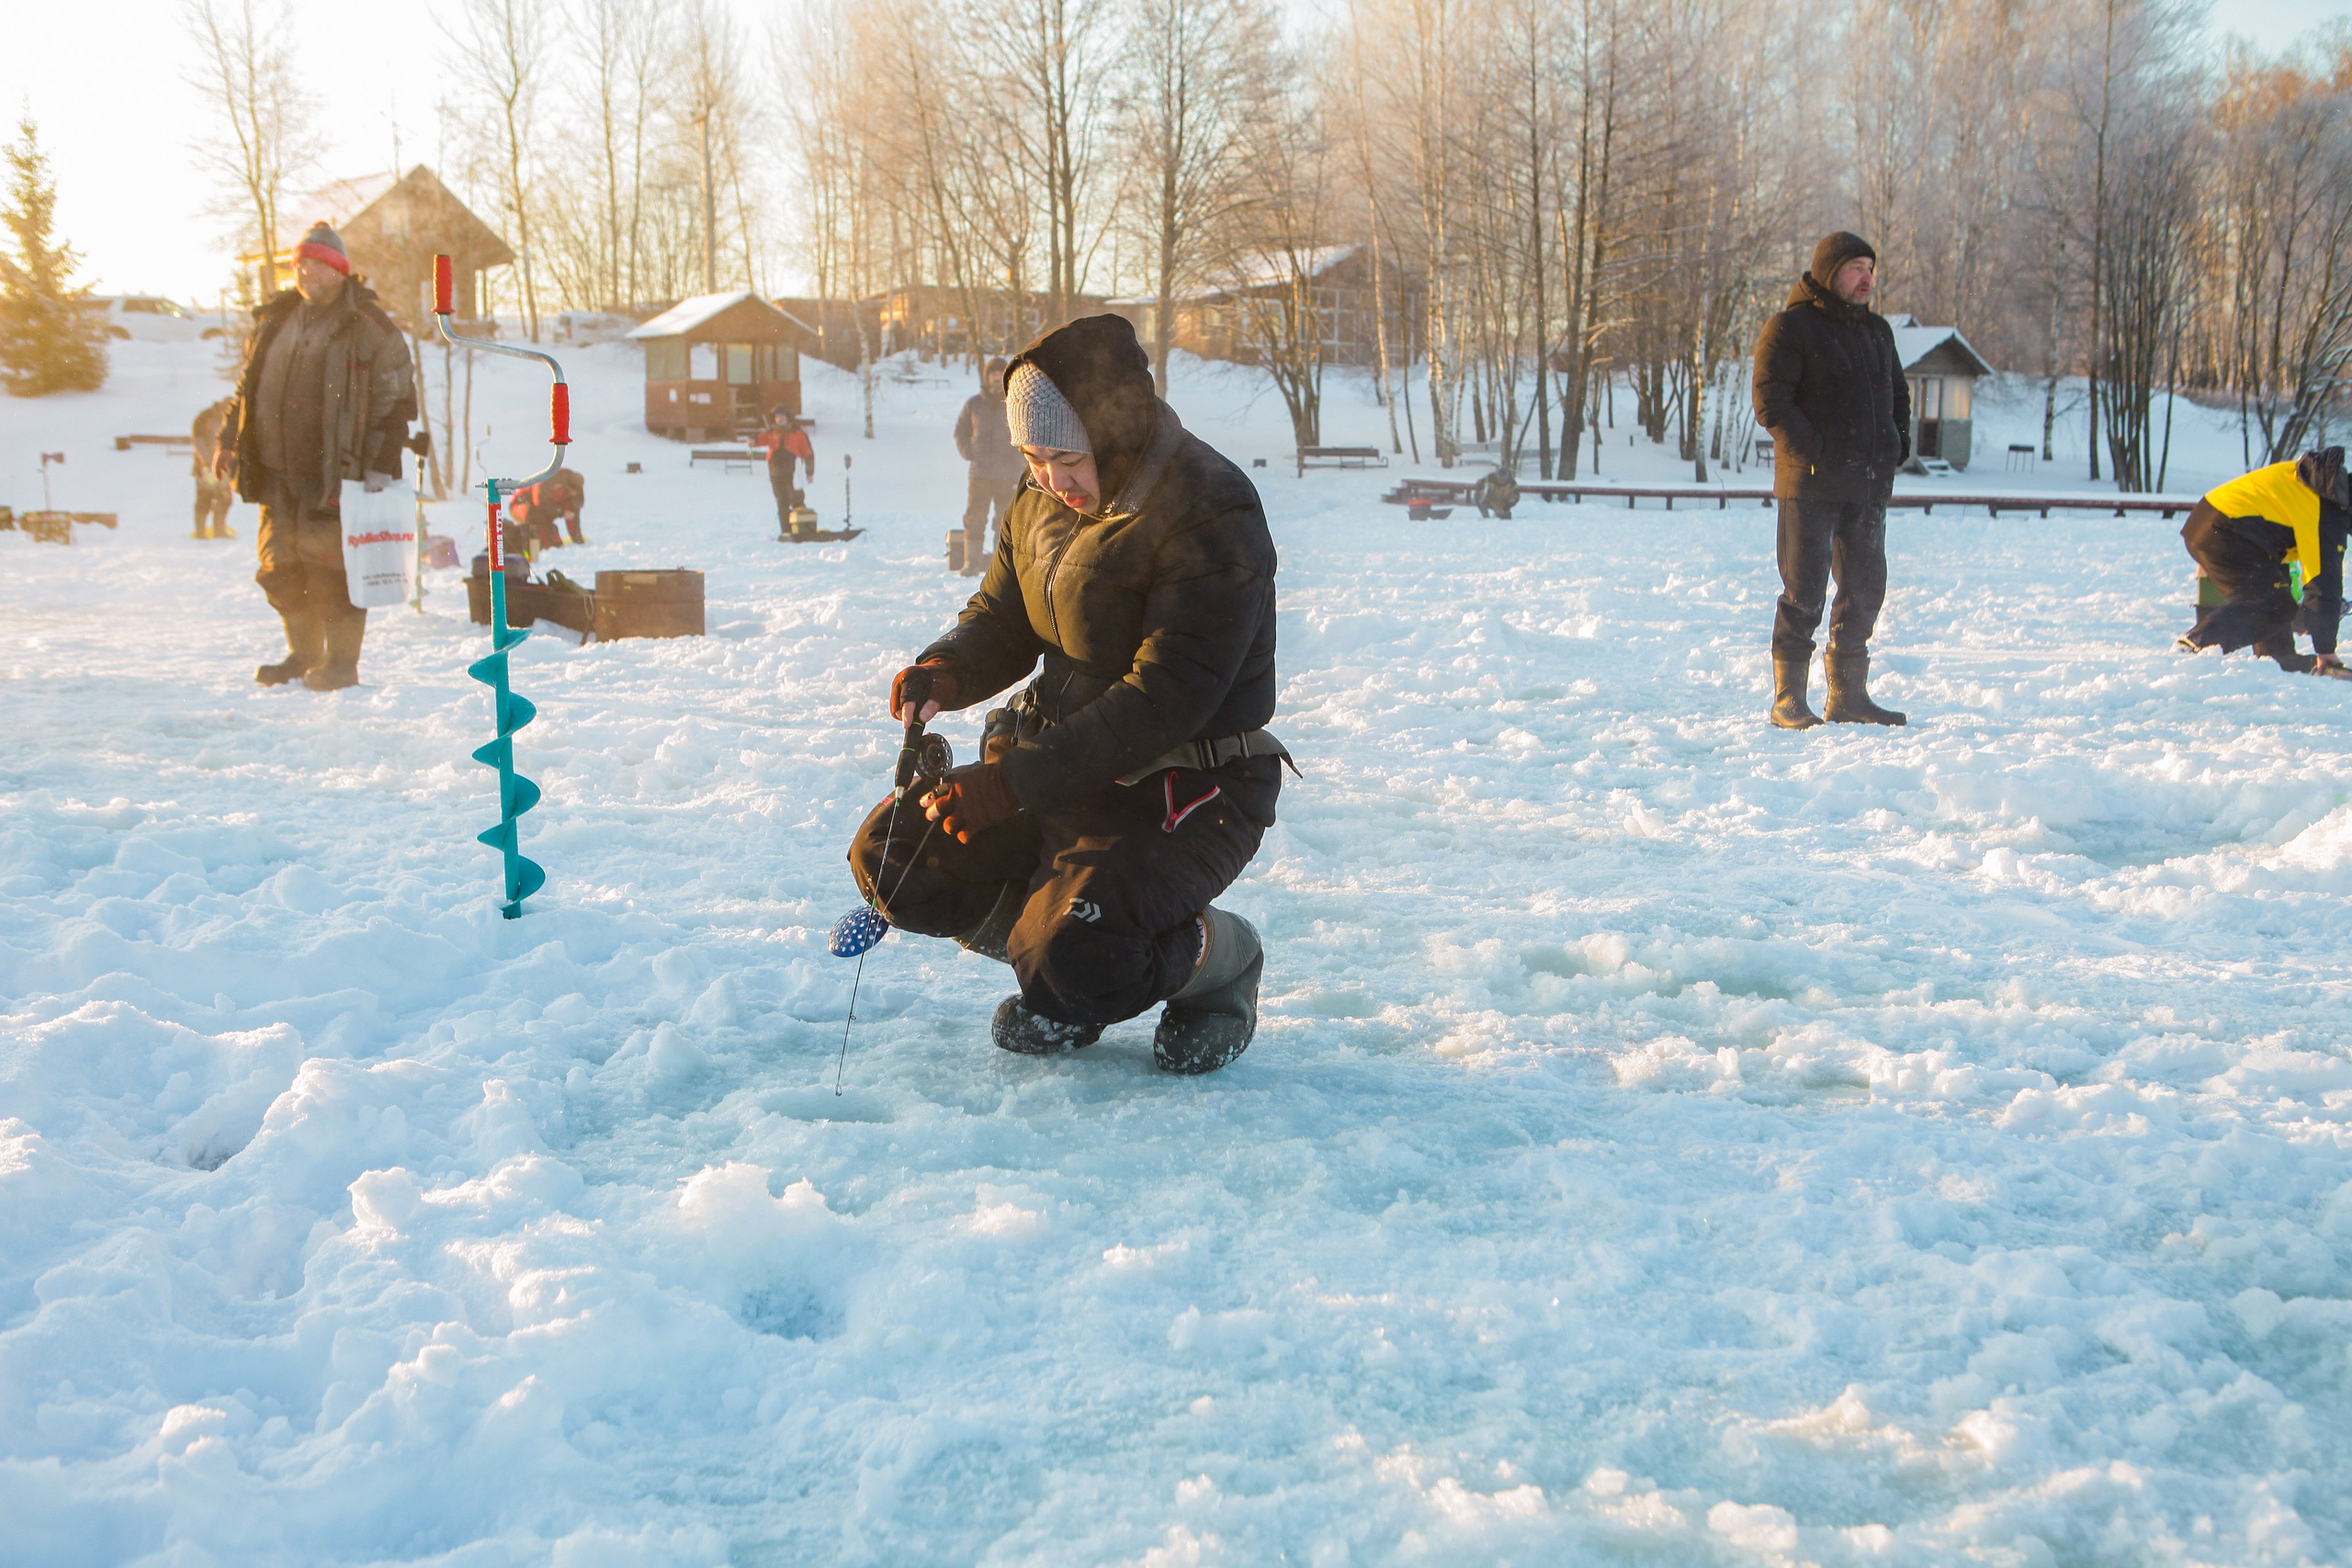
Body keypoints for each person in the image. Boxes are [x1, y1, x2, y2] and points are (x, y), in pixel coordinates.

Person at [847, 314, 1288, 1074]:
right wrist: (946, 669)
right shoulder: (1039, 501)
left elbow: (1165, 696)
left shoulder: (1212, 508)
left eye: (1065, 457)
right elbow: (1002, 615)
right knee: (895, 856)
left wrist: (1011, 785)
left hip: (1185, 789)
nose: (1050, 479)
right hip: (1066, 774)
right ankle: (1062, 961)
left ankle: (1218, 962)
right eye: (1032, 457)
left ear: (1115, 431)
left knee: (1073, 952)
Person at [214, 222, 414, 691]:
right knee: (279, 569)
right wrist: (227, 440)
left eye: (319, 265)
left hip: (336, 476)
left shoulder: (369, 327)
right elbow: (245, 389)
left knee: (332, 573)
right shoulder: (274, 320)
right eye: (301, 264)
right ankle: (304, 655)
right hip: (274, 474)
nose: (308, 272)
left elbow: (398, 402)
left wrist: (379, 468)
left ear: (341, 272)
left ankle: (342, 665)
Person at [1753, 230, 1911, 728]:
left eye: (1870, 268)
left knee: (1865, 589)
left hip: (1866, 486)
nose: (1866, 278)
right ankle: (1788, 701)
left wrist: (1895, 445)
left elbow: (1900, 399)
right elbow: (1771, 402)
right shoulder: (1790, 328)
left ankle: (1848, 697)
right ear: (1828, 274)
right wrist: (1814, 452)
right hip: (1812, 484)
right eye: (1854, 268)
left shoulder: (1877, 332)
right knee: (1804, 592)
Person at [2177, 446, 2352, 677]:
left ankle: (2277, 657)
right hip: (2225, 530)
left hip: (2218, 521)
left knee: (2276, 597)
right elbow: (2322, 583)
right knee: (2273, 604)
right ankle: (2193, 647)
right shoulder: (2327, 513)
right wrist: (2326, 649)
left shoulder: (2324, 485)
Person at [952, 355, 1022, 575]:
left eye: (999, 374)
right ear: (985, 376)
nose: (995, 378)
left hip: (1007, 475)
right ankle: (971, 563)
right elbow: (960, 432)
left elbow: (1025, 435)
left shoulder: (1014, 403)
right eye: (991, 373)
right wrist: (969, 452)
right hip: (980, 475)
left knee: (1004, 522)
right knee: (975, 519)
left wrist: (1019, 461)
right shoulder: (974, 404)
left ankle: (998, 568)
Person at [758, 407, 815, 532]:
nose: (780, 420)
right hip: (776, 475)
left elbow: (808, 454)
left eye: (783, 417)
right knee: (782, 504)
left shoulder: (798, 433)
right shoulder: (770, 433)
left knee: (797, 502)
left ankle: (802, 530)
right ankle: (786, 532)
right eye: (778, 417)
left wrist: (810, 472)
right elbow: (758, 439)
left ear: (788, 418)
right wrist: (752, 440)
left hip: (794, 475)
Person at [190, 397, 236, 540]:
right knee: (205, 498)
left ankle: (219, 531)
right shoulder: (205, 417)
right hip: (205, 468)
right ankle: (200, 533)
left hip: (223, 468)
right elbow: (198, 441)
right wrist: (207, 463)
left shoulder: (230, 419)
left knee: (224, 498)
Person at [510, 467, 586, 551]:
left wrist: (578, 540)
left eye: (575, 491)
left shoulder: (574, 489)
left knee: (550, 530)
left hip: (542, 513)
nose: (573, 493)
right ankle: (534, 552)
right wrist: (560, 512)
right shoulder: (549, 479)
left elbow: (572, 516)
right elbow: (539, 502)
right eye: (571, 490)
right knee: (534, 522)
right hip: (521, 506)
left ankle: (549, 547)